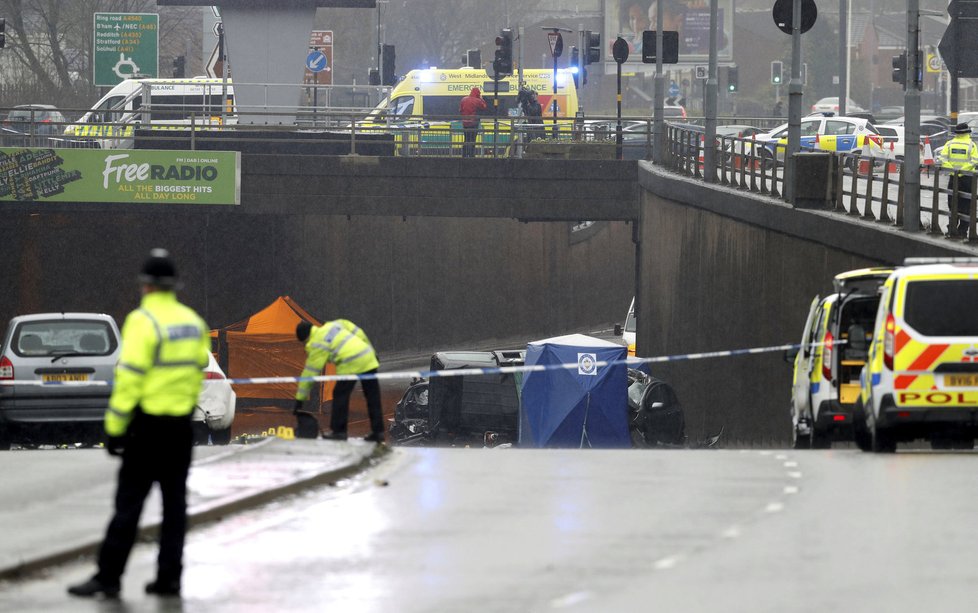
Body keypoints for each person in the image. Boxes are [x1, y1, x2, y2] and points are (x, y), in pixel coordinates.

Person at [68, 248, 210, 600]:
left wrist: (115, 428)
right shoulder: (194, 323)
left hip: (147, 430)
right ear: (175, 286)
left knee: (129, 505)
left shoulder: (143, 321)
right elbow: (197, 377)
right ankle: (169, 579)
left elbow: (129, 380)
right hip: (180, 428)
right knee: (175, 506)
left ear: (146, 286)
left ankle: (109, 577)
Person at [294, 319, 385, 442]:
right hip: (367, 357)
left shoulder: (316, 343)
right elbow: (359, 332)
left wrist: (300, 399)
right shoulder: (334, 324)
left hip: (349, 363)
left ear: (306, 338)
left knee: (340, 395)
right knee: (372, 397)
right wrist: (372, 351)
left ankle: (339, 432)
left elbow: (310, 373)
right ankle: (378, 432)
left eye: (304, 343)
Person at [941, 122, 978, 236]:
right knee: (966, 205)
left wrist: (954, 171)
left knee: (953, 204)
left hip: (953, 178)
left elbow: (943, 159)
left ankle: (952, 229)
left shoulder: (949, 144)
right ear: (968, 132)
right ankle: (963, 231)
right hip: (967, 178)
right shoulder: (972, 145)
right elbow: (974, 161)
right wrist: (962, 172)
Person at [459, 87, 487, 158]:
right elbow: (484, 107)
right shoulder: (477, 100)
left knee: (466, 139)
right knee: (472, 140)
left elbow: (460, 110)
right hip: (474, 123)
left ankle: (464, 155)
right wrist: (481, 98)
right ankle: (471, 155)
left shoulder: (464, 99)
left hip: (465, 123)